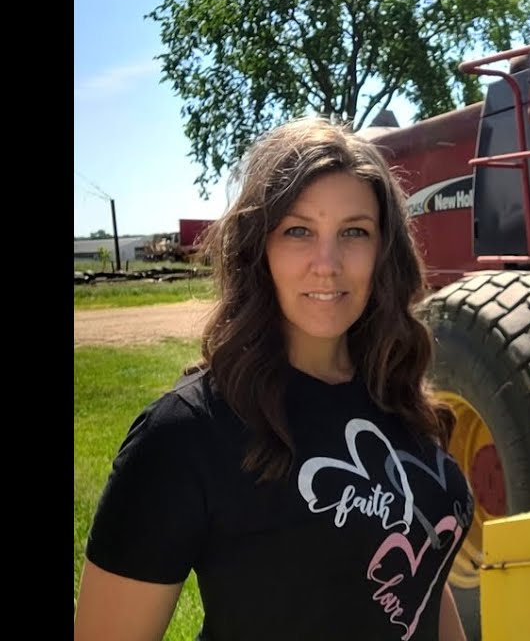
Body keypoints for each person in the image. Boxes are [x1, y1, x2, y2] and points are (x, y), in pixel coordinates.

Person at [73, 117, 473, 641]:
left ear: (384, 252)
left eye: (355, 232)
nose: (326, 264)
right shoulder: (186, 435)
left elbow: (422, 572)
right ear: (258, 249)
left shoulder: (394, 394)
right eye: (298, 231)